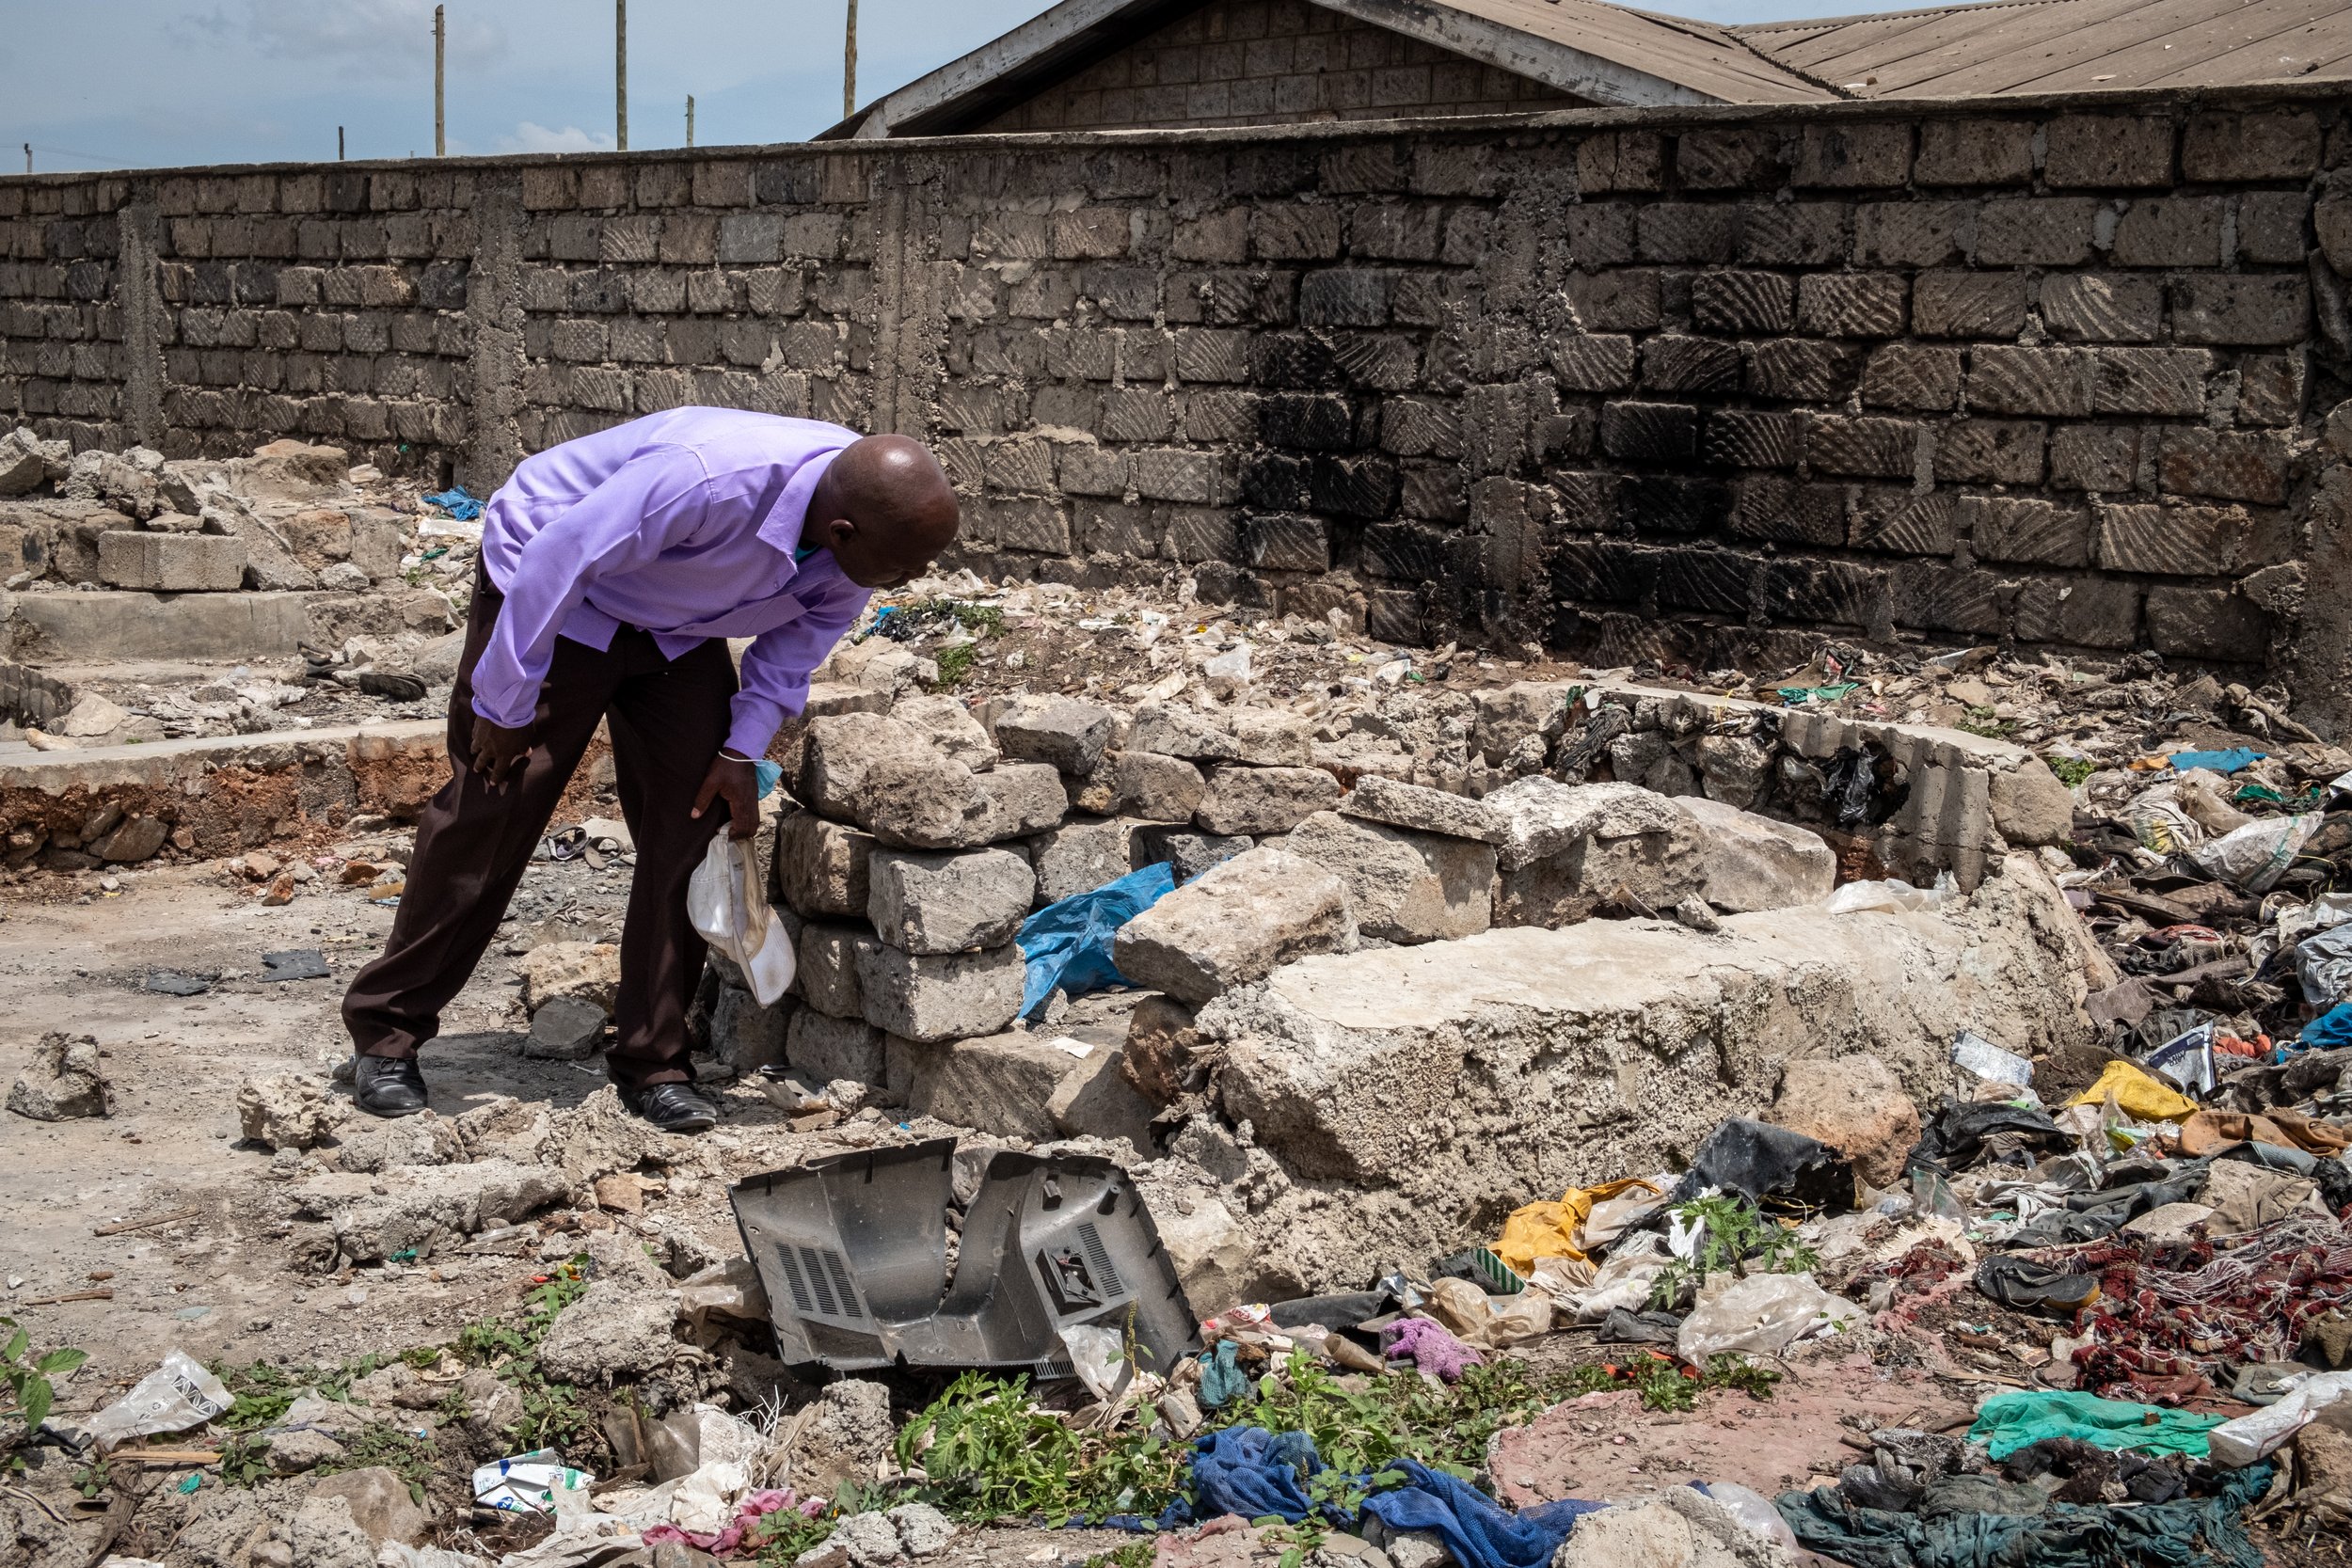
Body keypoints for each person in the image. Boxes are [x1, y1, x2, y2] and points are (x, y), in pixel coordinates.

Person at [340, 409, 960, 1132]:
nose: (913, 579)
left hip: (674, 622)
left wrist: (739, 752)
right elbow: (557, 559)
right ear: (844, 531)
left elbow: (791, 652)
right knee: (493, 806)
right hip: (557, 591)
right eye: (907, 565)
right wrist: (504, 701)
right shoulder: (708, 479)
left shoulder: (857, 541)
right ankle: (386, 1033)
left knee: (698, 817)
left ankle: (654, 1062)